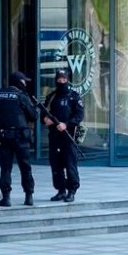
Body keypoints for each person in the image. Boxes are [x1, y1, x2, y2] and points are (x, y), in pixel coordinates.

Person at [0, 71, 38, 207]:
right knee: (25, 167)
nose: (25, 84)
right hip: (20, 137)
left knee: (5, 168)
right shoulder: (20, 95)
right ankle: (29, 196)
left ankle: (6, 197)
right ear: (19, 82)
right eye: (24, 81)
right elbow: (33, 116)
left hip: (4, 136)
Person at [43, 68, 84, 203]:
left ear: (68, 80)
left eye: (64, 79)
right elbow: (44, 112)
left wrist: (66, 124)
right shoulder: (52, 96)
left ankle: (71, 191)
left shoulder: (74, 96)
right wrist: (45, 119)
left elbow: (79, 115)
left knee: (70, 163)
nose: (61, 82)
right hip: (54, 136)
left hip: (68, 136)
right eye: (59, 80)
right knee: (56, 164)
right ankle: (61, 190)